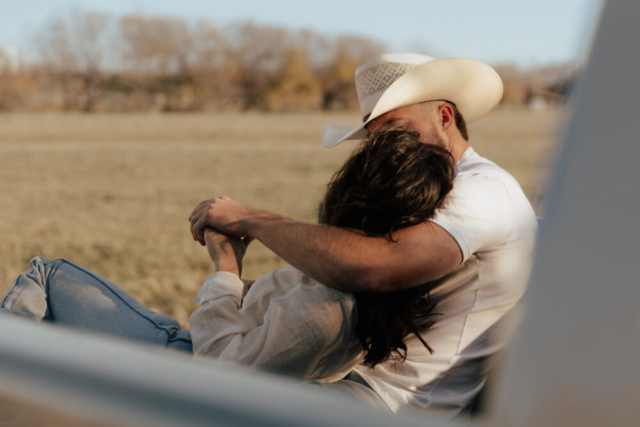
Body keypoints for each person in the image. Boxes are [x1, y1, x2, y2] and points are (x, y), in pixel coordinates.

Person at [1, 128, 456, 411]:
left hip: (180, 360)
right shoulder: (374, 275)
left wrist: (225, 264)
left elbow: (217, 374)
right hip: (194, 343)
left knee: (48, 274)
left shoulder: (333, 304)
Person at [188, 53, 539, 417]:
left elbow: (377, 265)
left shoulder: (483, 189)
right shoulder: (437, 186)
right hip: (347, 375)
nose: (382, 147)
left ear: (445, 117)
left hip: (389, 402)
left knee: (189, 391)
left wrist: (251, 222)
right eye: (374, 137)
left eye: (395, 127)